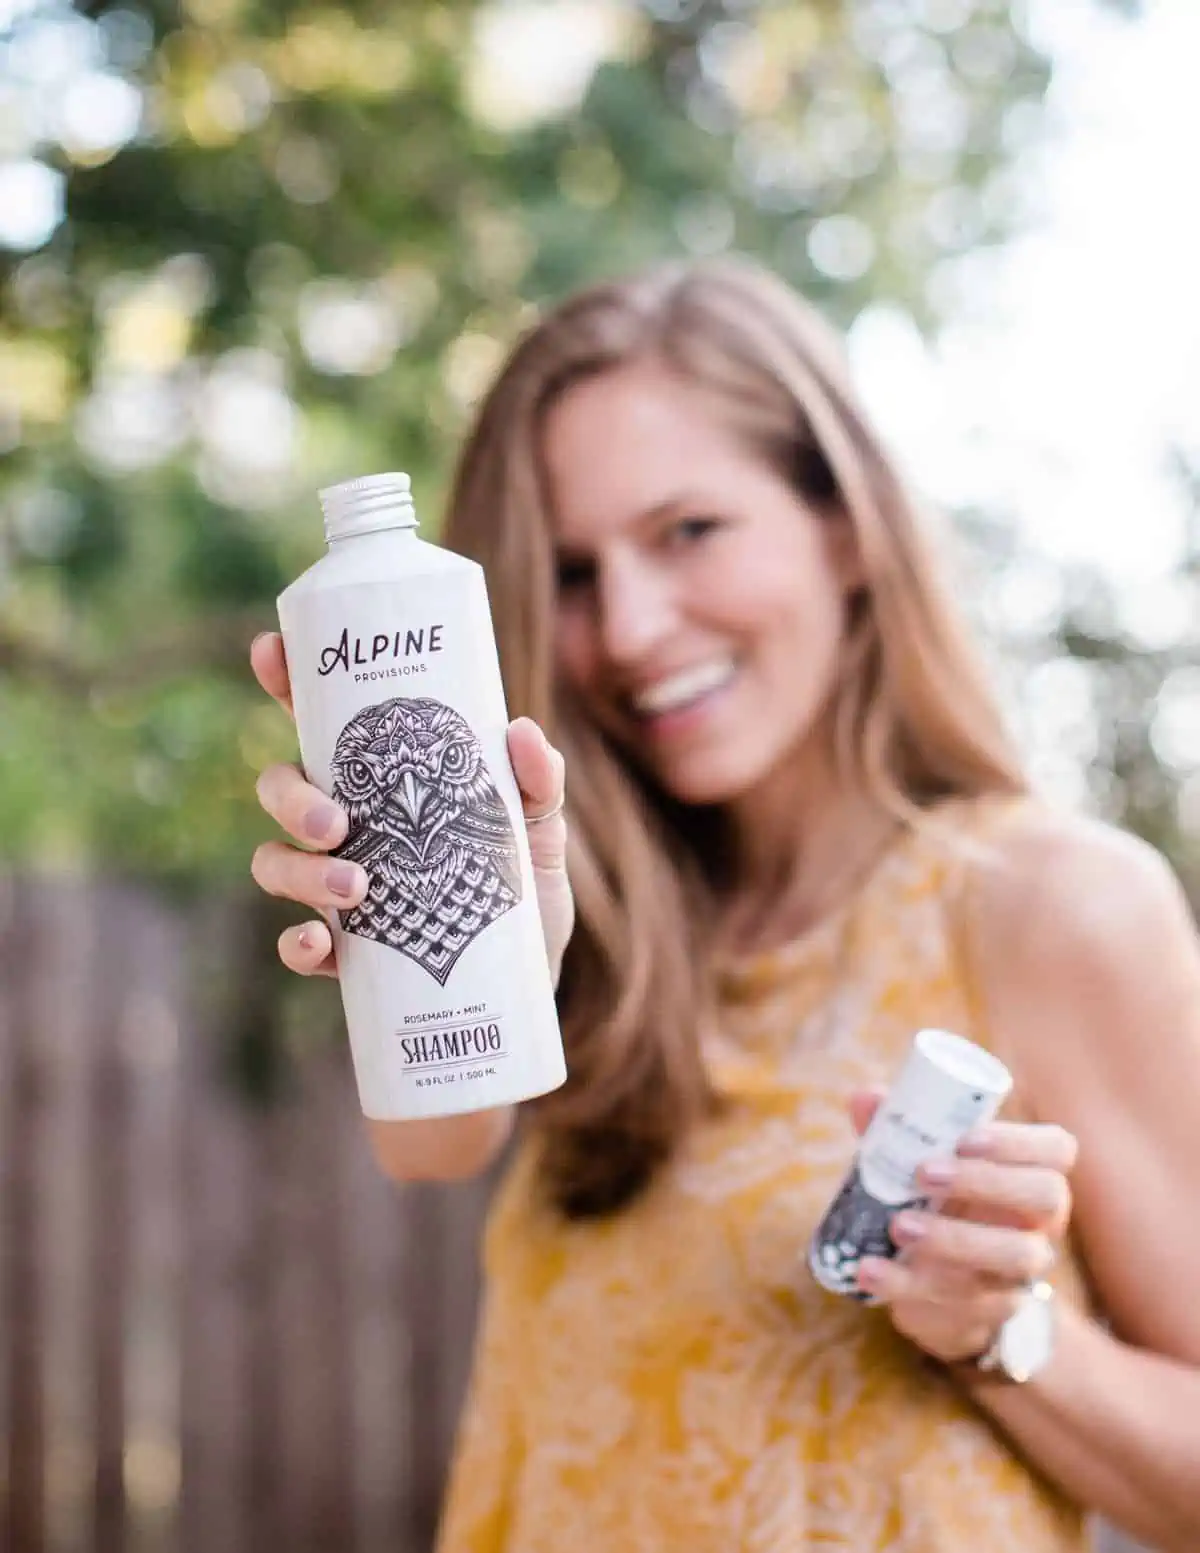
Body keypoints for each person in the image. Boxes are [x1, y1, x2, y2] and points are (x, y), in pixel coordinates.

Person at [249, 256, 1200, 1552]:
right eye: (573, 574)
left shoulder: (1054, 906)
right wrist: (424, 915)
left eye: (688, 532)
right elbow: (431, 1149)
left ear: (846, 528)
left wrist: (1001, 1333)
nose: (630, 627)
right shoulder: (616, 919)